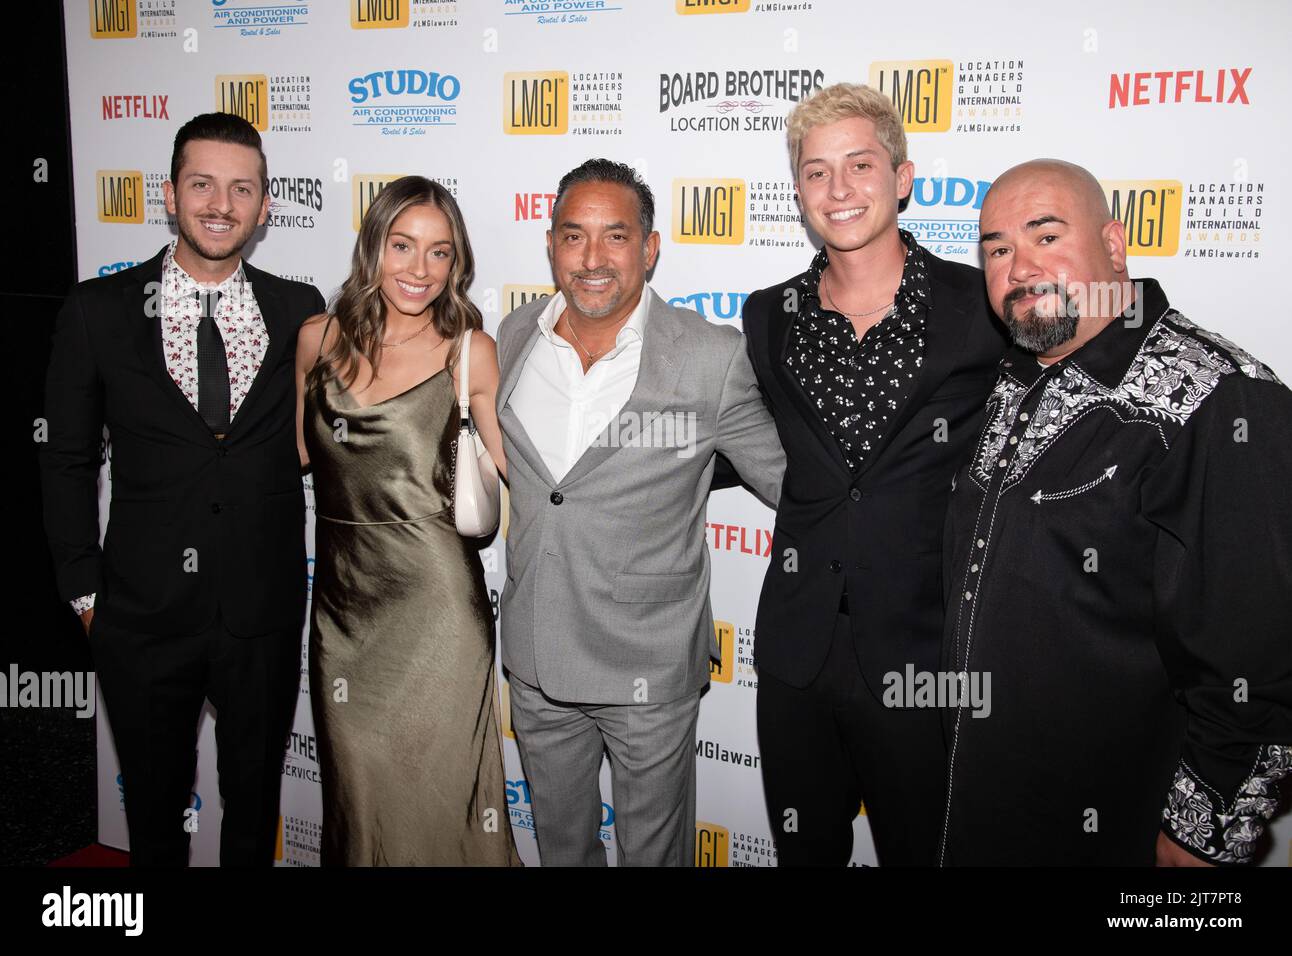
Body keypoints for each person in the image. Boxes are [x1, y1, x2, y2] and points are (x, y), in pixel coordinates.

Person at [939, 158, 1292, 865]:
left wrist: (1202, 836)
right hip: (980, 800)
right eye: (998, 249)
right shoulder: (1011, 378)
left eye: (1046, 236)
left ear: (1116, 243)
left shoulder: (1220, 398)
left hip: (1117, 821)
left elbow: (1262, 655)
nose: (1019, 265)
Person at [40, 112, 325, 865]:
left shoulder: (300, 310)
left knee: (253, 804)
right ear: (169, 195)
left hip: (260, 617)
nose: (220, 204)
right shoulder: (98, 312)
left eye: (242, 188)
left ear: (266, 206)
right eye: (202, 184)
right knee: (156, 818)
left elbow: (328, 440)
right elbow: (66, 460)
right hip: (139, 619)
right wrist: (86, 597)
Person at [738, 83, 1007, 866]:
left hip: (925, 653)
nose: (839, 189)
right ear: (797, 192)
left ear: (903, 177)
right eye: (816, 172)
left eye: (860, 164)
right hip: (797, 649)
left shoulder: (978, 304)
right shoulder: (768, 317)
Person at [497, 158, 784, 866]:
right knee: (562, 851)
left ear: (650, 248)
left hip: (648, 668)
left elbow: (792, 483)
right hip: (535, 661)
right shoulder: (510, 337)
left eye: (615, 237)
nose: (592, 259)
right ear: (551, 244)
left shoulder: (711, 359)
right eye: (573, 236)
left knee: (655, 856)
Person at [295, 175, 518, 866]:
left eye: (440, 253)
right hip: (342, 613)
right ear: (373, 247)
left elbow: (525, 473)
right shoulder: (316, 340)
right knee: (359, 797)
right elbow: (294, 458)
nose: (419, 270)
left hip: (439, 613)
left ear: (457, 264)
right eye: (402, 246)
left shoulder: (468, 353)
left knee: (445, 798)